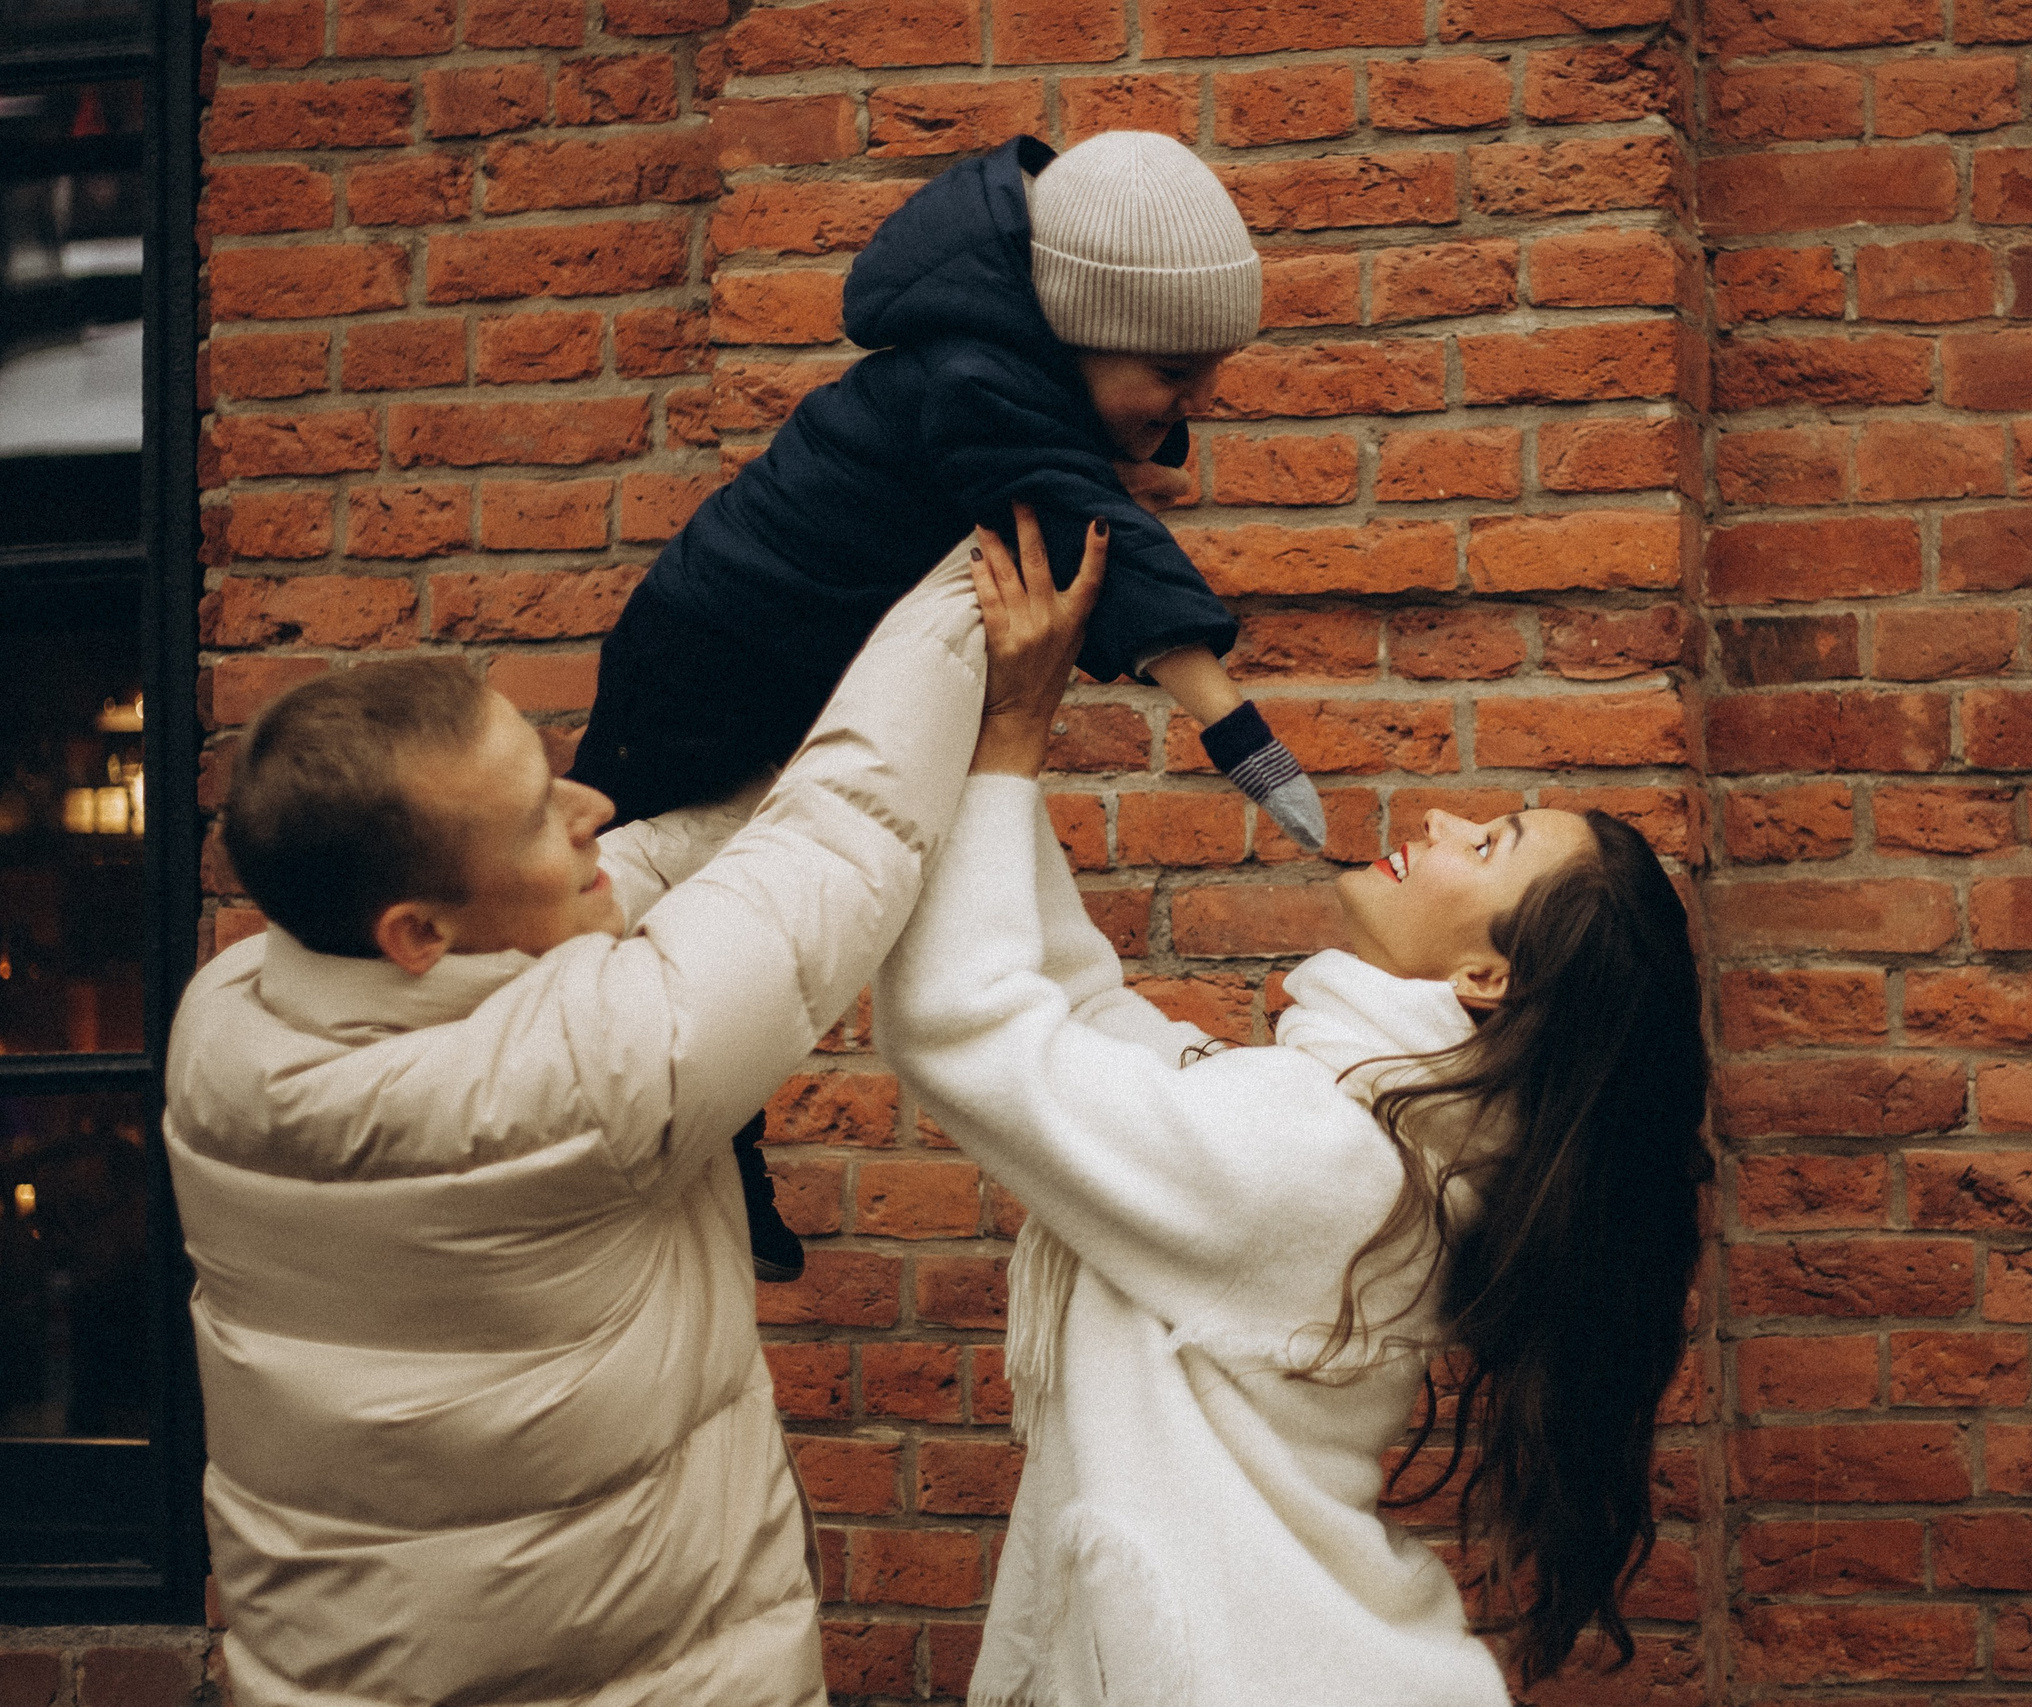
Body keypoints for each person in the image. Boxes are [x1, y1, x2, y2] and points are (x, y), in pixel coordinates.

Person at [876, 523, 1711, 1704]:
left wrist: (1011, 735)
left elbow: (964, 1028)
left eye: (1489, 844)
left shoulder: (1324, 1160)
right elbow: (1080, 1013)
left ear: (1486, 976)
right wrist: (998, 733)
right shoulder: (1359, 1133)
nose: (1441, 821)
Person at [160, 549, 997, 1706]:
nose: (592, 808)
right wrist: (983, 566)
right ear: (418, 934)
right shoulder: (587, 1075)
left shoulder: (227, 1019)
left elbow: (632, 872)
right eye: (536, 817)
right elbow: (839, 839)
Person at [573, 127, 1322, 1285]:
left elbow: (1073, 489)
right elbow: (1093, 532)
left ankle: (714, 1147)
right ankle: (646, 1130)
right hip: (710, 661)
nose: (1199, 404)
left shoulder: (998, 374)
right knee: (616, 891)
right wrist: (1240, 735)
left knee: (677, 901)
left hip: (758, 647)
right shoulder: (976, 383)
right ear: (1074, 332)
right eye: (1176, 373)